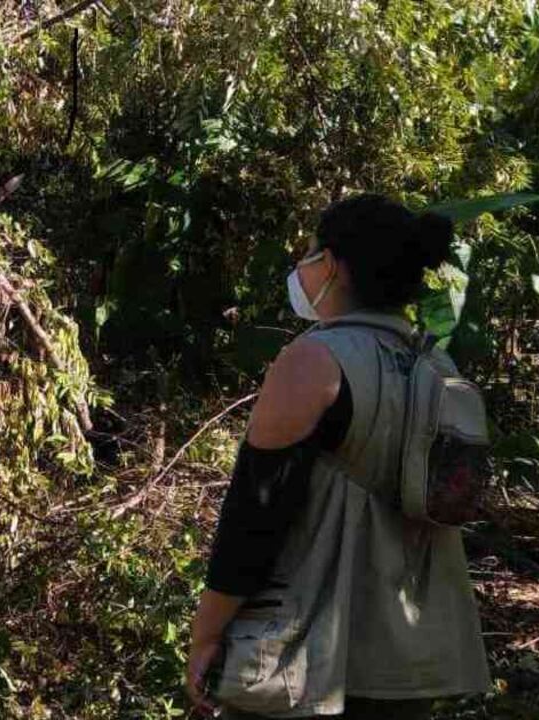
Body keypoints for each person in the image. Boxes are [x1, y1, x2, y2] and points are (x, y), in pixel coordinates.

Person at [185, 194, 490, 719]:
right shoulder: (439, 367)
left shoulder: (313, 361)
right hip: (408, 660)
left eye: (309, 252)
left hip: (307, 662)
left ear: (331, 263)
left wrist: (206, 633)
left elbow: (255, 516)